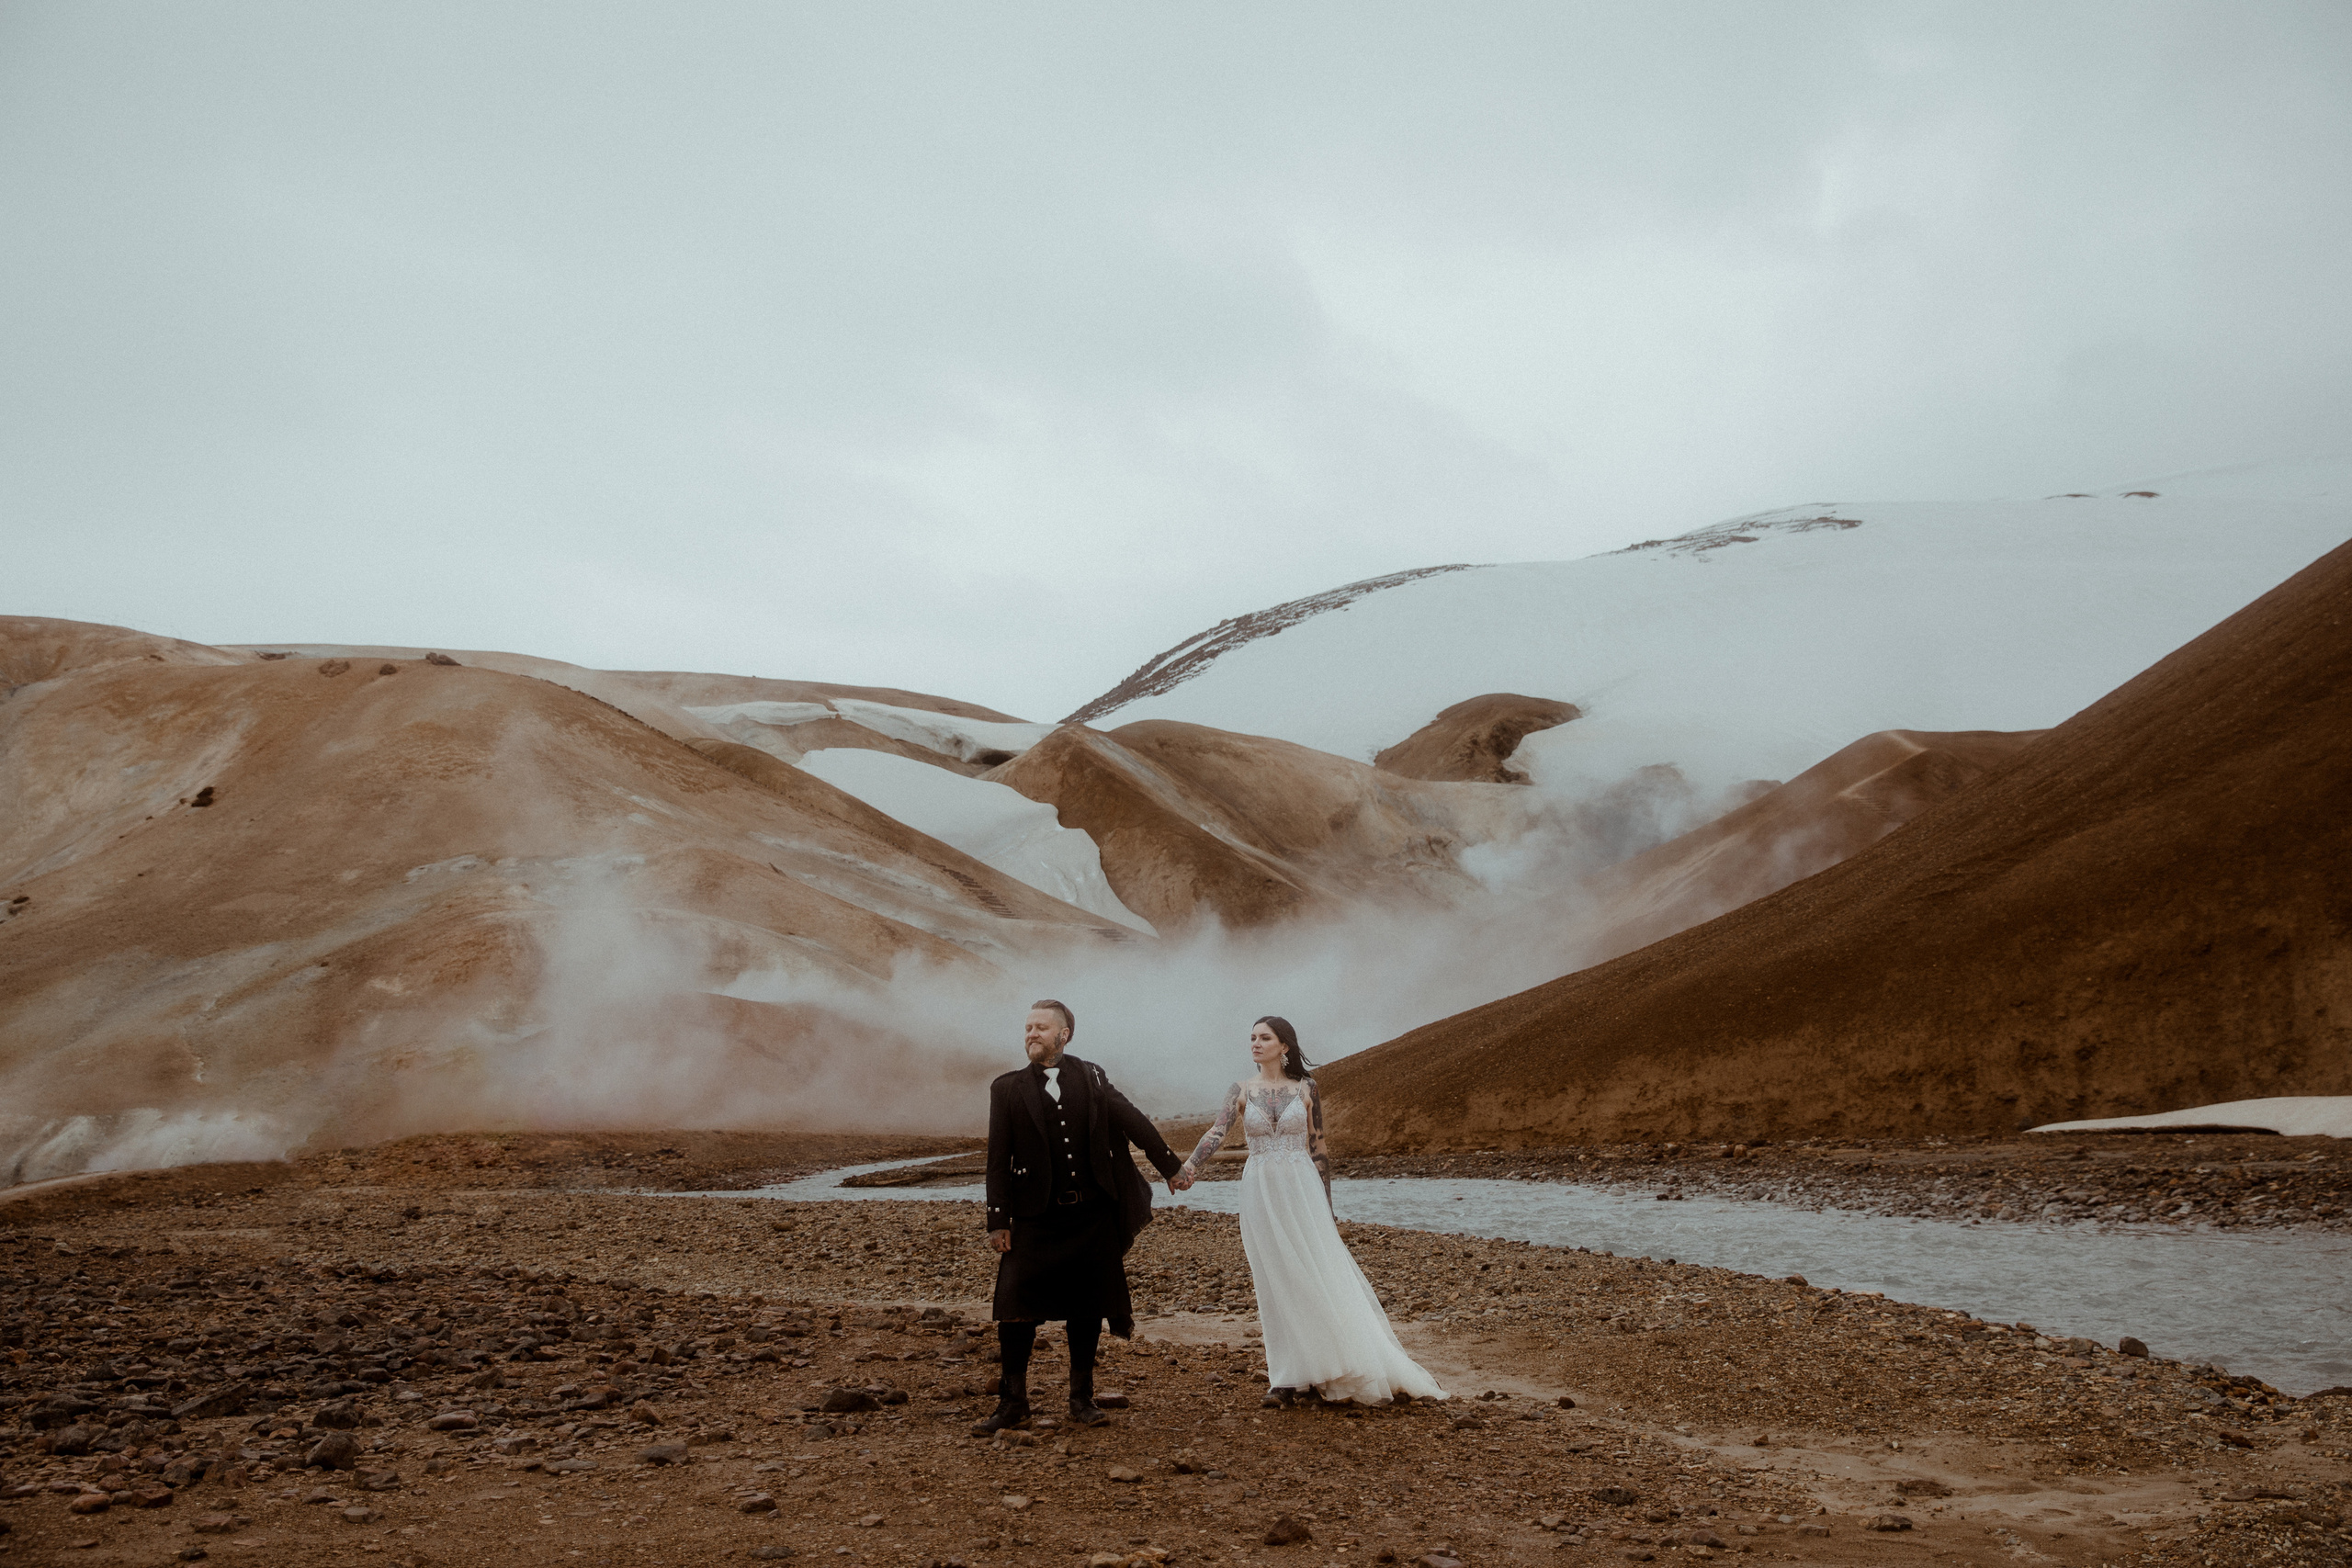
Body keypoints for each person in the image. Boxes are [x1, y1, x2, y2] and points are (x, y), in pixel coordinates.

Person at [1172, 1016, 1446, 1407]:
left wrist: (1327, 1206)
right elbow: (1216, 1133)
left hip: (1302, 1187)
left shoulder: (1306, 1088)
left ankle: (1328, 1365)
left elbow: (1318, 1147)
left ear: (1284, 1046)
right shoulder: (1241, 1090)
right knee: (1274, 1275)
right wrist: (1188, 1171)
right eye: (1252, 1037)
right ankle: (1285, 1378)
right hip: (1260, 1188)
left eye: (1264, 1037)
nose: (1255, 1043)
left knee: (1317, 1272)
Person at [977, 998, 1184, 1434]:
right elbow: (998, 1158)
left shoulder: (1091, 1076)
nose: (1031, 1034)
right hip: (1033, 1218)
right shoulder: (1006, 1088)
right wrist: (998, 1219)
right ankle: (1013, 1403)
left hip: (1089, 1215)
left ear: (1063, 1035)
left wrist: (1170, 1166)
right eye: (1027, 1027)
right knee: (1015, 1308)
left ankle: (1081, 1398)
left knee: (1087, 1307)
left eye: (1040, 1028)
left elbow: (1131, 1119)